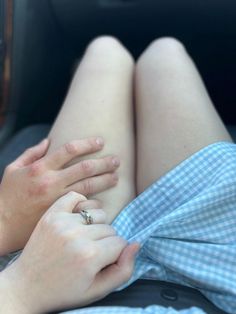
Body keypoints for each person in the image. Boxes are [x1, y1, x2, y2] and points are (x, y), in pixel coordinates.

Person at [0, 36, 236, 314]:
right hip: (222, 268)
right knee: (165, 53)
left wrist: (6, 226)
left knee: (107, 51)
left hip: (51, 258)